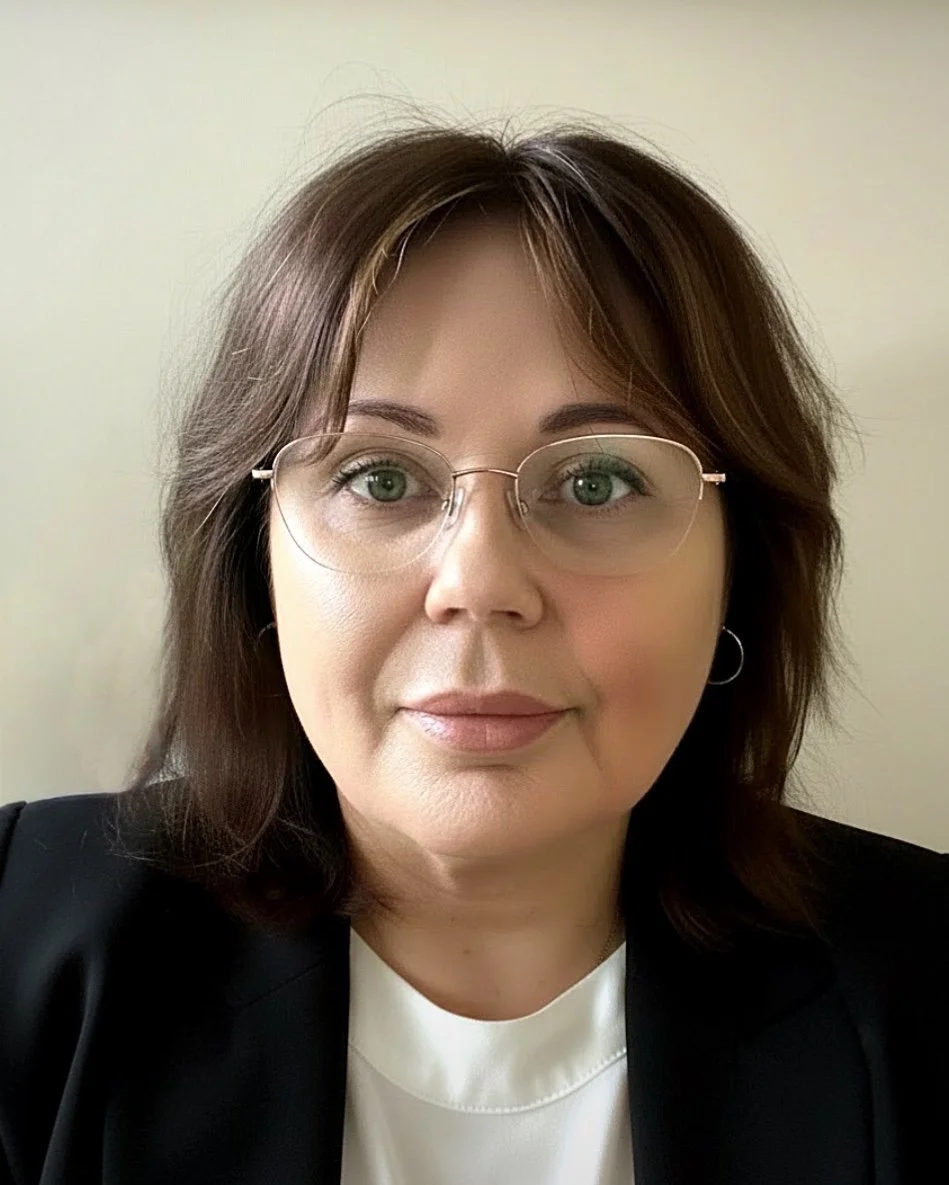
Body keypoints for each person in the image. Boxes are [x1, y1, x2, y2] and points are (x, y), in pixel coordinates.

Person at [0, 121, 946, 1185]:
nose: (481, 586)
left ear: (742, 569)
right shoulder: (16, 939)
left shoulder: (930, 988)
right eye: (379, 478)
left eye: (596, 482)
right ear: (248, 560)